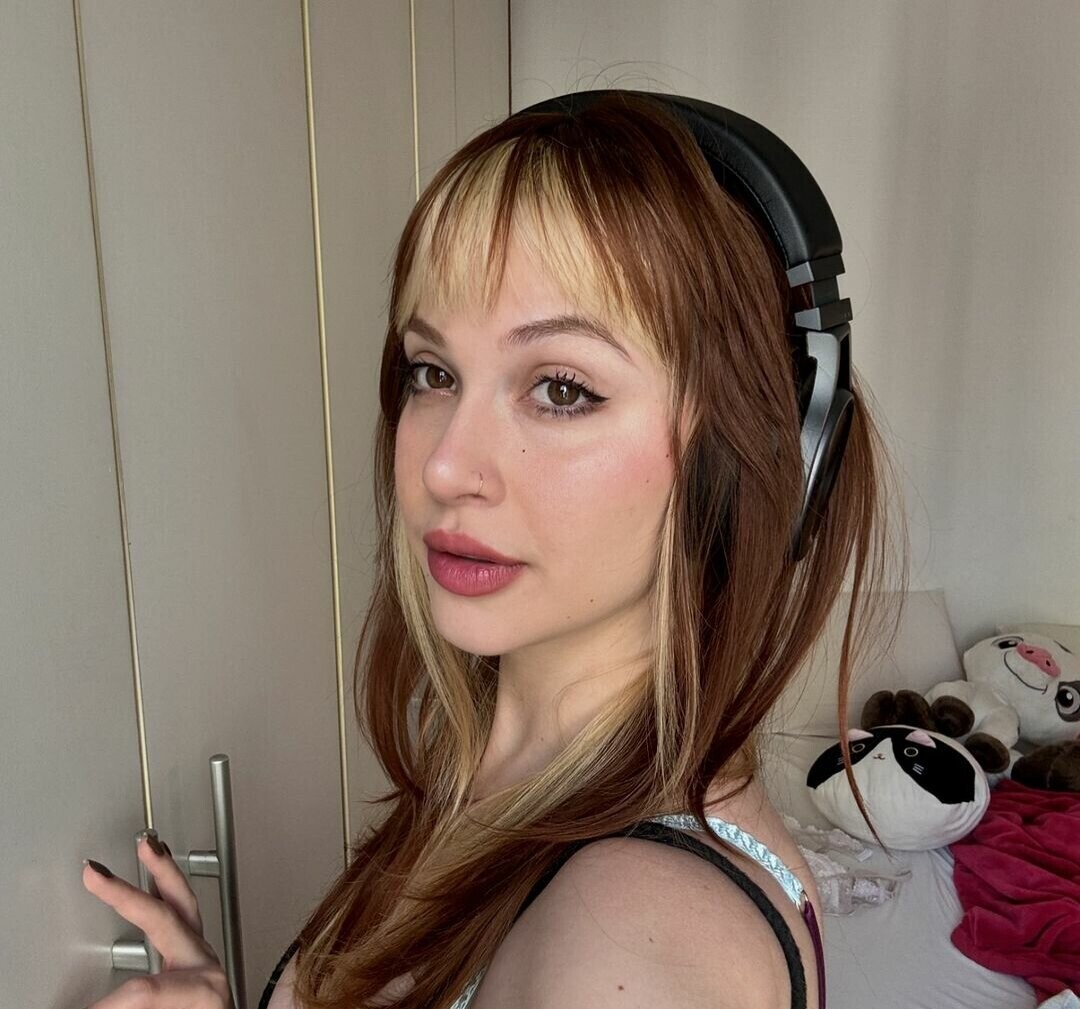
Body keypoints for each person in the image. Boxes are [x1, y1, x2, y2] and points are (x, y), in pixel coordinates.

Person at [82, 89, 909, 1009]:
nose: (444, 465)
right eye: (432, 372)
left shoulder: (624, 947)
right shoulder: (501, 773)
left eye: (561, 388)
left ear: (754, 455)